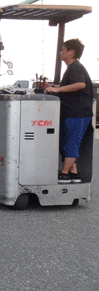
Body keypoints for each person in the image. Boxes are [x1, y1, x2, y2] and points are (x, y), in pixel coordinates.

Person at [45, 38, 94, 183]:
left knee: (71, 143)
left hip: (78, 114)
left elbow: (80, 84)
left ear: (71, 52)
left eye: (63, 50)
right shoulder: (71, 69)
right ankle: (74, 172)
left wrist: (58, 89)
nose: (60, 53)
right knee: (66, 142)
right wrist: (54, 87)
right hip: (72, 113)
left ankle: (64, 173)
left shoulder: (76, 68)